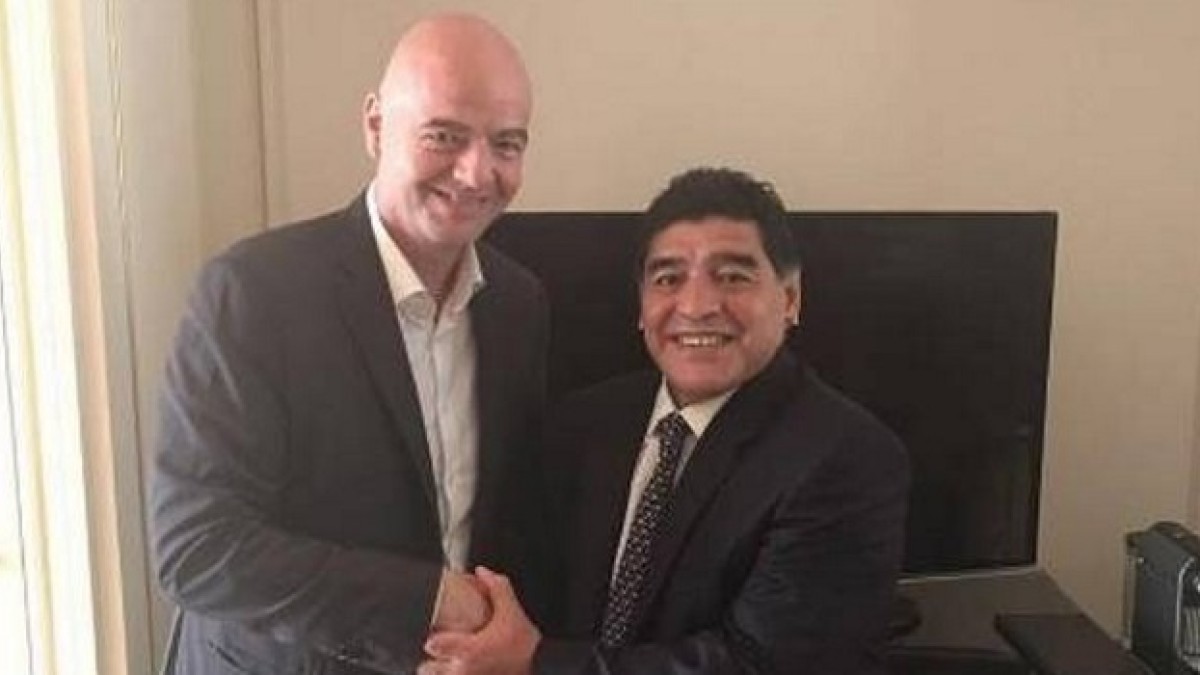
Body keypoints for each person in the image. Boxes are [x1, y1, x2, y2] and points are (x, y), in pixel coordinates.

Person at [151, 12, 548, 674]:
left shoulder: (520, 303)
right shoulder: (253, 291)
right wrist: (430, 600)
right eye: (444, 136)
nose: (477, 172)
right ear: (375, 126)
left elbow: (509, 514)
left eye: (506, 144)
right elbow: (198, 547)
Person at [423, 167, 910, 674]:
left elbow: (763, 665)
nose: (696, 306)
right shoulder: (579, 428)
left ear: (790, 298)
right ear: (641, 306)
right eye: (668, 279)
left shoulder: (846, 457)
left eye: (733, 277)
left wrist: (538, 662)